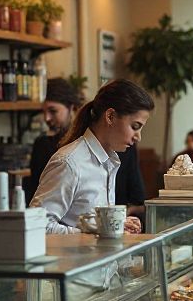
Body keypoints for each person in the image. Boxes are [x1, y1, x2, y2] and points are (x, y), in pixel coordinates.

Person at [31, 78, 154, 234]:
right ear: (110, 116)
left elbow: (89, 222)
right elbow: (38, 226)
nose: (138, 137)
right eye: (135, 126)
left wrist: (117, 224)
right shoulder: (69, 163)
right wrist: (97, 232)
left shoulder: (110, 160)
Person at [25, 78, 85, 201]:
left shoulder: (86, 143)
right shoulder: (42, 145)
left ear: (72, 108)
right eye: (44, 112)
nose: (46, 118)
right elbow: (35, 192)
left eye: (53, 111)